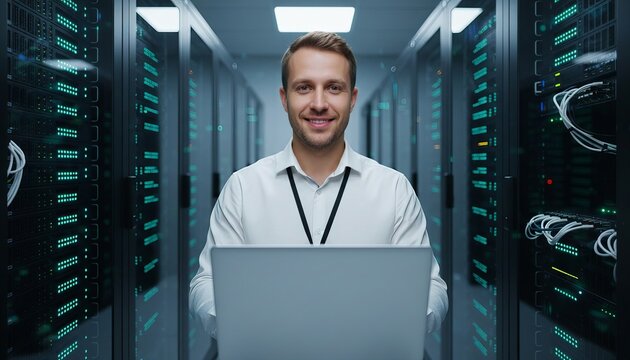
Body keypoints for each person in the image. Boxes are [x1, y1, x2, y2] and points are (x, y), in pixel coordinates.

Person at [189, 31, 448, 338]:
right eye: (304, 87)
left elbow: (432, 288)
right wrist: (247, 324)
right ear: (285, 99)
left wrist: (392, 322)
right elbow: (206, 283)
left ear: (352, 99)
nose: (319, 103)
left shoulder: (394, 189)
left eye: (334, 88)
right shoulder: (243, 188)